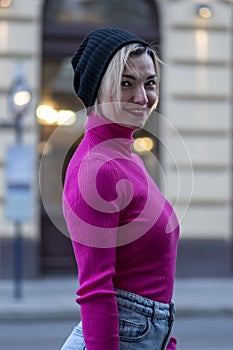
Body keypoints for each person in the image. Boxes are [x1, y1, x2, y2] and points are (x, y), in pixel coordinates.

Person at [62, 27, 179, 350]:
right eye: (126, 83)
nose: (143, 97)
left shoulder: (126, 156)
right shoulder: (99, 169)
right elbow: (96, 290)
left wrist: (160, 337)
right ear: (99, 88)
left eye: (150, 82)